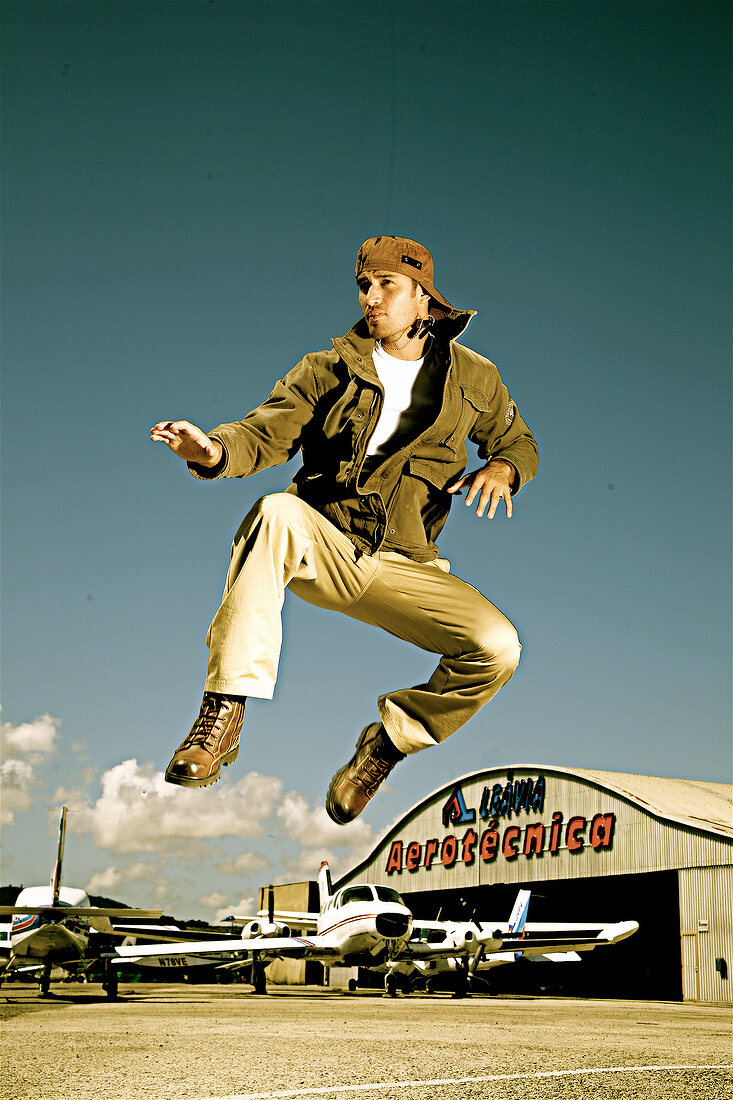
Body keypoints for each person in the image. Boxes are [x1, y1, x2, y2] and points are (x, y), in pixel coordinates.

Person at [150, 235, 538, 824]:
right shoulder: (327, 368)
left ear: (424, 300)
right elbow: (266, 433)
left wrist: (505, 469)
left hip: (408, 564)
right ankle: (223, 714)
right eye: (363, 285)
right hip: (325, 543)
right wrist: (211, 451)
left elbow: (517, 440)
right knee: (276, 511)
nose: (370, 298)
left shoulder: (474, 378)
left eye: (386, 285)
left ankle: (387, 743)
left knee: (497, 648)